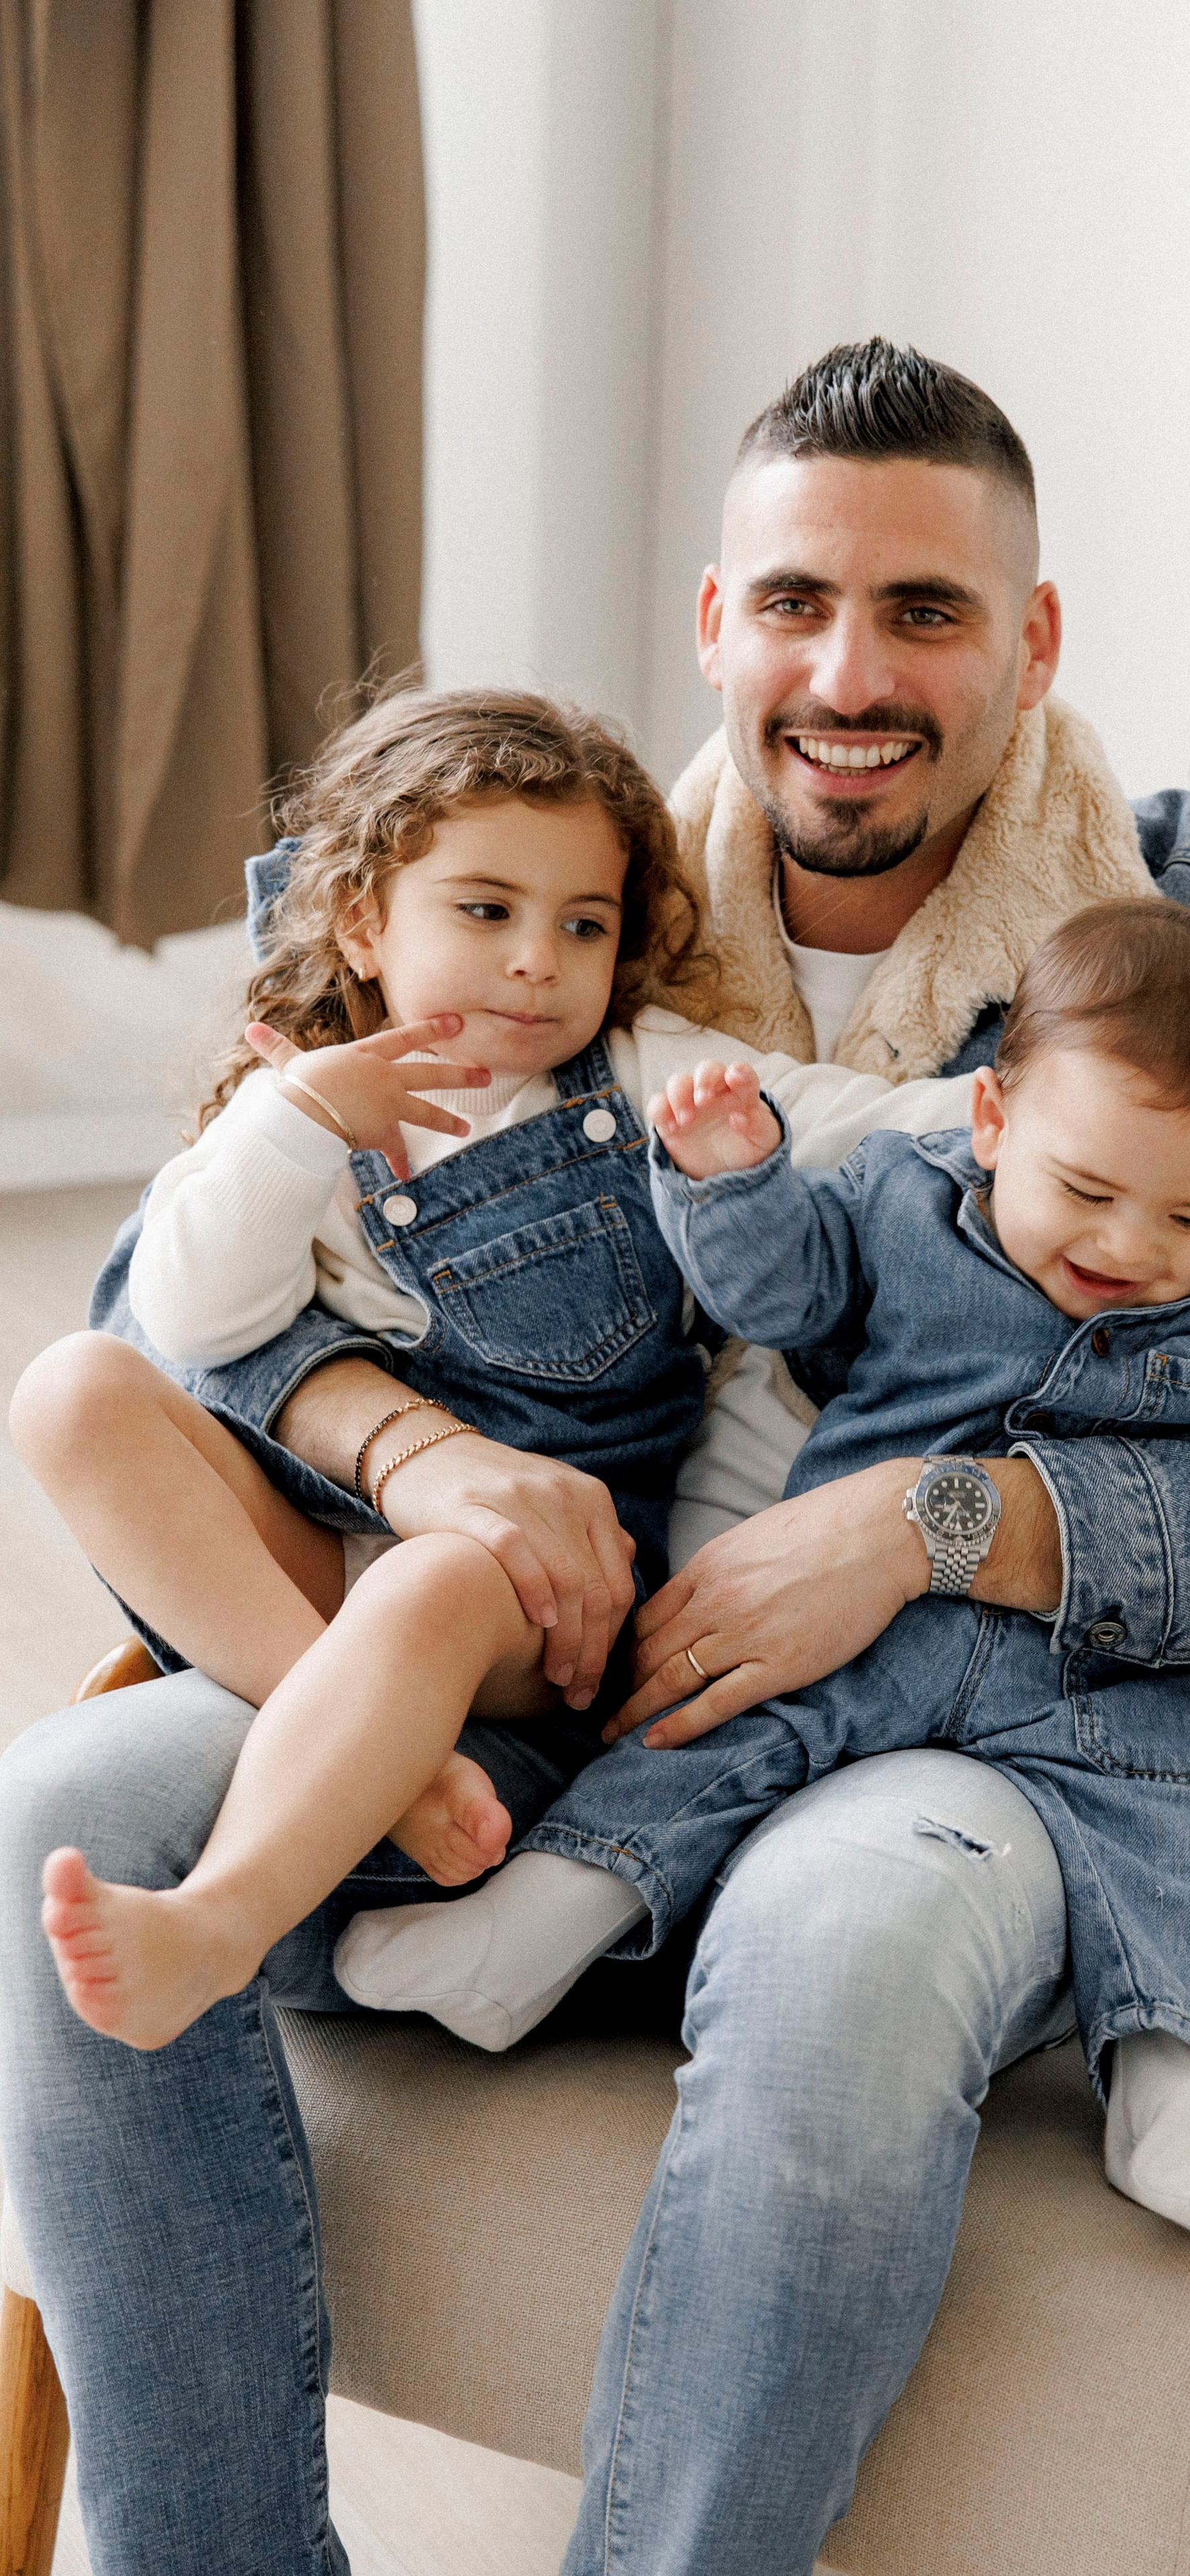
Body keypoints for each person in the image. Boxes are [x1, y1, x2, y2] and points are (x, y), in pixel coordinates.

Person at [0, 340, 1190, 2576]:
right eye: (796, 601)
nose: (851, 668)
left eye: (928, 610)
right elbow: (170, 1314)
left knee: (850, 1958)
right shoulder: (532, 885)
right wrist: (416, 1457)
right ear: (715, 621)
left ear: (1036, 640)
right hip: (522, 1682)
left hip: (970, 1740)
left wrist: (939, 1532)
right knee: (60, 1813)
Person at [355, 898, 1190, 2247]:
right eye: (1085, 1191)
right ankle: (539, 1922)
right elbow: (790, 1297)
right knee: (712, 1723)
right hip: (868, 1620)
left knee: (1186, 1827)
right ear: (990, 1120)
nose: (1123, 1248)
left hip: (1119, 1666)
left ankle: (1189, 2088)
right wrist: (727, 1180)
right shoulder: (903, 1195)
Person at [14, 682, 982, 2043]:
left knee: (437, 1575)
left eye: (580, 925)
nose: (536, 959)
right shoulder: (294, 1104)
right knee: (67, 1391)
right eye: (484, 911)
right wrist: (295, 1120)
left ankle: (218, 1917)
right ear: (362, 918)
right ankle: (383, 1766)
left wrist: (1018, 1109)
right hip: (321, 1561)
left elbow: (854, 1121)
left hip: (542, 1606)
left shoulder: (636, 1077)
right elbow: (194, 1317)